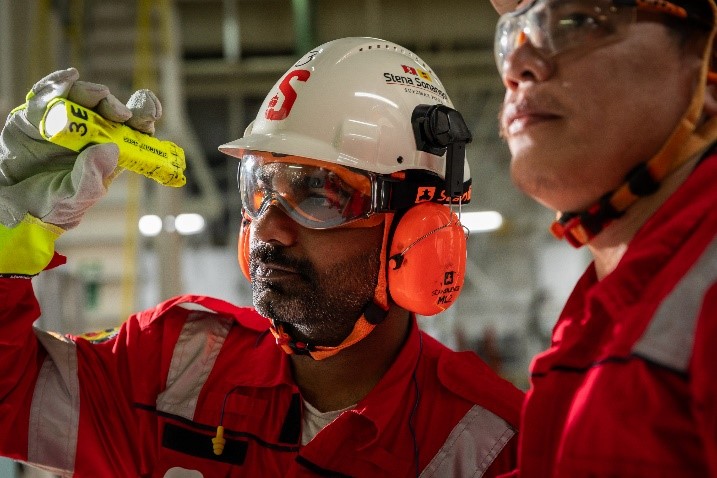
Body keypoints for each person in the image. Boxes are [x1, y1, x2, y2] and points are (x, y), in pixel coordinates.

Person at [0, 37, 523, 477]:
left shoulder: (495, 447)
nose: (268, 226)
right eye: (260, 187)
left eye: (320, 194)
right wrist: (6, 242)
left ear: (419, 234)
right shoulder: (174, 363)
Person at [490, 0, 717, 476]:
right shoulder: (602, 315)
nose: (517, 66)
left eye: (580, 21)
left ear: (710, 68)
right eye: (513, 35)